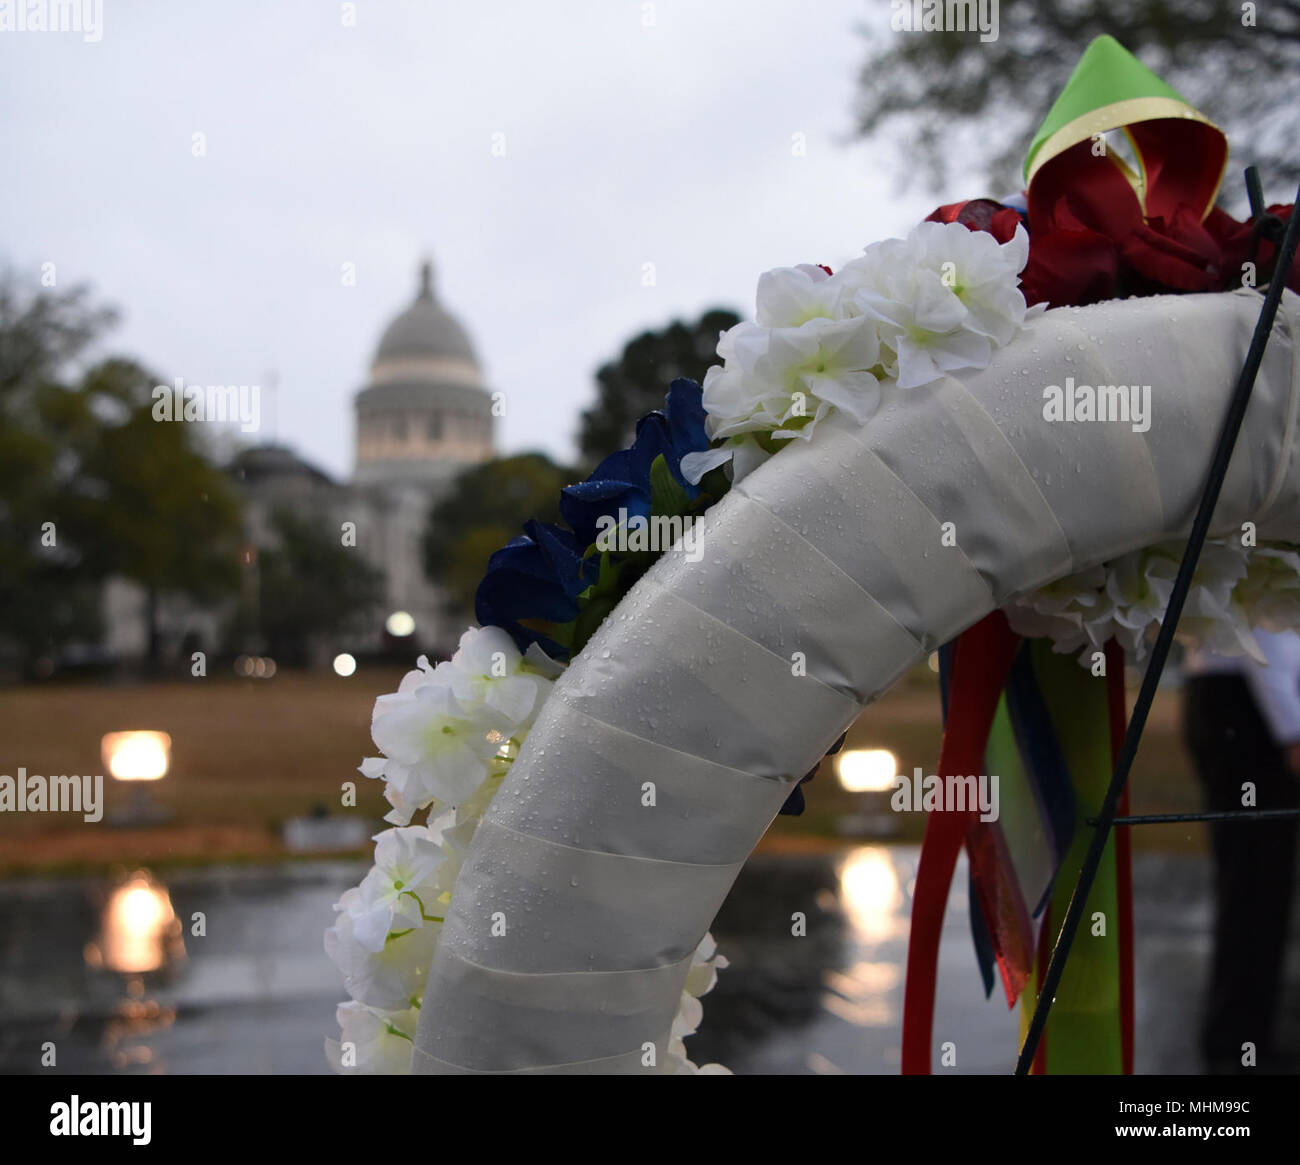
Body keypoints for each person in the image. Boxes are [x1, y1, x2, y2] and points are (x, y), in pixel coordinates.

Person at [1182, 629, 1300, 1074]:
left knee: (1255, 882)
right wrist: (1292, 729)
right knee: (1256, 885)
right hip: (1249, 708)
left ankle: (1243, 1038)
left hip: (1241, 703)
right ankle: (1238, 1044)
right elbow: (1266, 637)